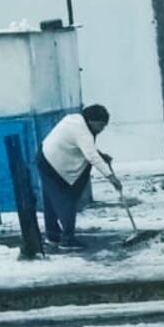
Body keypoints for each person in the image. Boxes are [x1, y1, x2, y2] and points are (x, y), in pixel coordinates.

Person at [37, 103, 120, 248]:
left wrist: (101, 155)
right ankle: (68, 239)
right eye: (101, 125)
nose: (101, 129)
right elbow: (91, 156)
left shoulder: (75, 120)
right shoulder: (83, 131)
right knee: (66, 200)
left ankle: (53, 236)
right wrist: (111, 177)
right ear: (91, 121)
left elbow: (86, 147)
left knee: (51, 201)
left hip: (45, 158)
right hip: (53, 165)